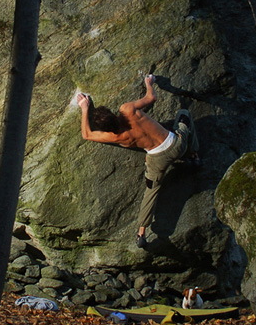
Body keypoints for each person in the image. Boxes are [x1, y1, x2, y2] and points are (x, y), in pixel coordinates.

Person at [76, 74, 199, 248]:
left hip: (157, 160)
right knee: (184, 115)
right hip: (177, 144)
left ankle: (142, 232)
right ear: (112, 113)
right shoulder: (127, 110)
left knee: (151, 190)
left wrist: (84, 109)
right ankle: (194, 155)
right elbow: (152, 97)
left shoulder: (117, 137)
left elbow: (86, 134)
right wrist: (149, 83)